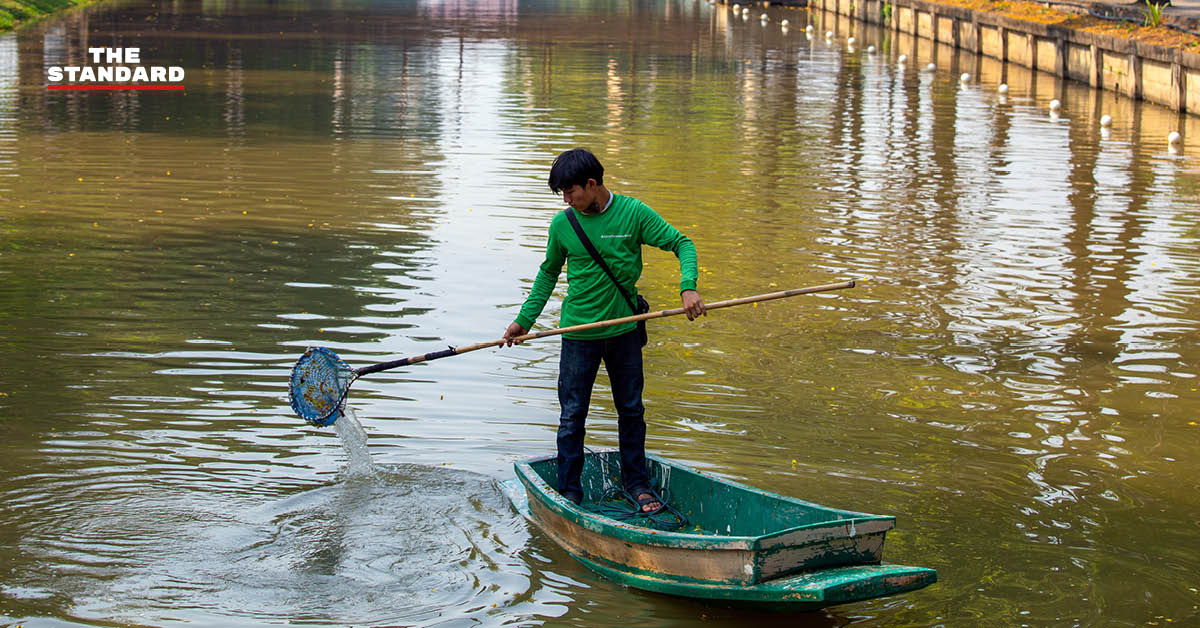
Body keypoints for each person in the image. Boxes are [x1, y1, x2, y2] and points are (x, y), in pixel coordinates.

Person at [502, 148, 705, 514]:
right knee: (572, 416)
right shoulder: (562, 224)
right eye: (563, 194)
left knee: (631, 410)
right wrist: (524, 320)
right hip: (578, 333)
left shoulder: (633, 213)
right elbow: (548, 273)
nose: (566, 200)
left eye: (571, 192)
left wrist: (687, 286)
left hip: (624, 330)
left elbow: (682, 243)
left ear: (592, 184)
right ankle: (570, 492)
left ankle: (637, 484)